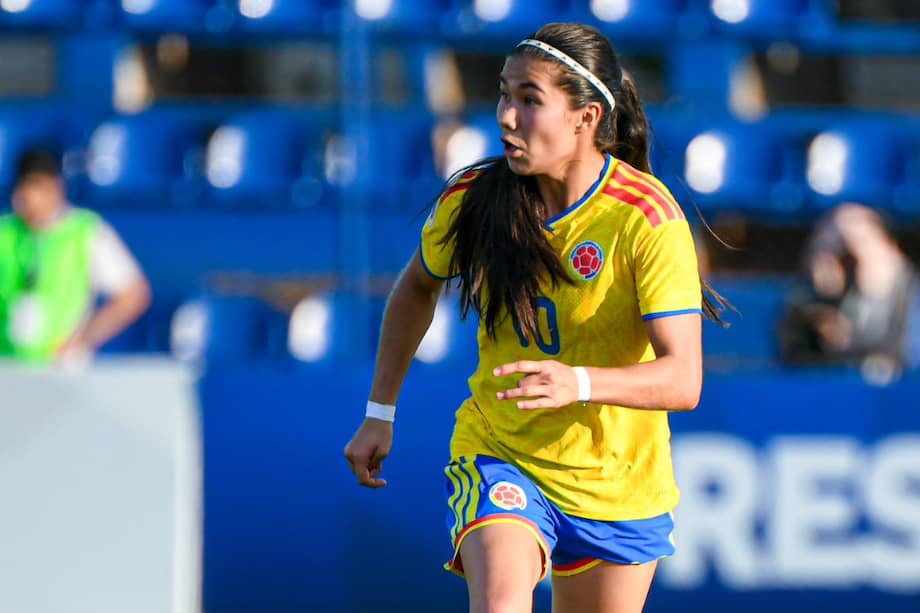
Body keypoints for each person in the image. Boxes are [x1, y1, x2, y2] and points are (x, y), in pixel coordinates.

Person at [345, 22, 726, 612]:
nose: (506, 116)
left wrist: (577, 383)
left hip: (617, 482)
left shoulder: (645, 218)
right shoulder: (475, 197)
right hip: (503, 454)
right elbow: (416, 288)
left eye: (530, 99)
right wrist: (379, 412)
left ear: (585, 117)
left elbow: (683, 379)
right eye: (504, 94)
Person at [0, 148, 151, 364]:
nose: (31, 198)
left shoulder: (86, 231)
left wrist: (85, 337)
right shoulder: (5, 232)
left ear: (55, 187)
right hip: (7, 366)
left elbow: (134, 295)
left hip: (63, 367)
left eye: (38, 186)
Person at [779, 202, 920, 381]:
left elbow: (905, 352)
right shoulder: (838, 284)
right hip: (844, 380)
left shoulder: (907, 286)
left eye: (865, 239)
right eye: (848, 242)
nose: (858, 247)